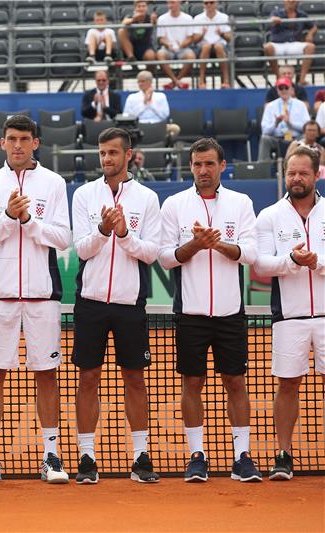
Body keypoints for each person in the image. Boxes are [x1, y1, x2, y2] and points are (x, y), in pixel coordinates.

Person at [0, 115, 72, 485]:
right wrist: (7, 218)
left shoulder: (54, 183)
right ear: (1, 143)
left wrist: (27, 221)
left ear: (36, 143)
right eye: (11, 139)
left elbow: (63, 238)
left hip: (43, 297)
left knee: (47, 375)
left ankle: (51, 456)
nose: (17, 145)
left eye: (24, 139)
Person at [158, 138, 262, 483]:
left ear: (222, 166)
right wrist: (195, 244)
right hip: (191, 312)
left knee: (235, 381)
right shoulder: (174, 205)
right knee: (193, 381)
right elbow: (165, 257)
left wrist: (218, 244)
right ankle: (196, 456)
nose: (203, 170)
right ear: (191, 167)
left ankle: (241, 457)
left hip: (231, 313)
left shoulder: (241, 203)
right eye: (197, 164)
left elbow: (250, 254)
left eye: (209, 164)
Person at [71, 128, 161, 484]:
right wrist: (104, 231)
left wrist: (124, 235)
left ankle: (141, 457)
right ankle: (87, 457)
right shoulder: (84, 194)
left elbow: (152, 253)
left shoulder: (148, 198)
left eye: (112, 153)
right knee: (87, 378)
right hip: (91, 302)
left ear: (128, 155)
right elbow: (81, 249)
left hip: (129, 303)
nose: (106, 159)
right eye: (102, 153)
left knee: (135, 379)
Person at [254, 146, 324, 481]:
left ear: (316, 174)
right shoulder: (268, 215)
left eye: (303, 173)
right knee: (288, 384)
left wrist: (318, 263)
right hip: (289, 316)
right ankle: (283, 454)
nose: (297, 179)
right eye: (292, 173)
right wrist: (292, 262)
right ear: (285, 174)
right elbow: (260, 264)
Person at [264, 0, 317, 83]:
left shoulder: (302, 14)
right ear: (284, 1)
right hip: (278, 44)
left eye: (294, 0)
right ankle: (278, 78)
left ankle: (302, 79)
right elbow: (271, 20)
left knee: (311, 47)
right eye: (289, 0)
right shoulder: (277, 12)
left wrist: (310, 34)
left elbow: (314, 26)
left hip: (294, 43)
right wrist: (274, 20)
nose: (291, 1)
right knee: (267, 47)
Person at [259, 77, 311, 161]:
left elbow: (307, 128)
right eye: (281, 88)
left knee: (306, 138)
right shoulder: (270, 106)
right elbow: (264, 130)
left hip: (296, 138)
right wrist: (275, 124)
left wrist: (291, 124)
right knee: (264, 139)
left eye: (286, 88)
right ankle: (263, 170)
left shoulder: (301, 105)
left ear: (291, 89)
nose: (284, 90)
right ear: (277, 90)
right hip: (277, 138)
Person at [122, 71, 181, 138]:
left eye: (143, 81)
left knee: (175, 128)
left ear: (150, 82)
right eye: (138, 81)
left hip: (158, 125)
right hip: (139, 126)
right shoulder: (131, 97)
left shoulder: (161, 96)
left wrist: (150, 103)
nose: (140, 84)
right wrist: (144, 104)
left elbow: (164, 116)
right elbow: (127, 117)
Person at [156, 0, 197, 90]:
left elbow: (190, 37)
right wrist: (168, 44)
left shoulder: (188, 18)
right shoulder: (162, 19)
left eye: (173, 2)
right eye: (169, 3)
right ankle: (177, 82)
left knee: (191, 56)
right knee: (160, 54)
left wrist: (182, 45)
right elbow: (161, 39)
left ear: (179, 3)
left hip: (183, 48)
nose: (170, 5)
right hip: (167, 48)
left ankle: (174, 82)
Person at [192, 0, 231, 89]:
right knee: (206, 47)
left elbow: (229, 37)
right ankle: (202, 80)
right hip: (203, 46)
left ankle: (225, 80)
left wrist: (221, 34)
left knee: (218, 47)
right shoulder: (198, 18)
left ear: (216, 3)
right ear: (203, 5)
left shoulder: (224, 17)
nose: (209, 5)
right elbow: (195, 39)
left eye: (211, 2)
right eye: (206, 3)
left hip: (220, 45)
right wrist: (202, 34)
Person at [117, 0, 158, 65]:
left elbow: (154, 22)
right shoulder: (130, 16)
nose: (141, 8)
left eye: (143, 6)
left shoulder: (149, 17)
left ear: (147, 8)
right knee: (121, 31)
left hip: (146, 47)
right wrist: (134, 19)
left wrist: (154, 20)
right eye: (139, 6)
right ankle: (131, 57)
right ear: (135, 8)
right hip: (131, 47)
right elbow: (123, 23)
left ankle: (149, 74)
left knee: (151, 56)